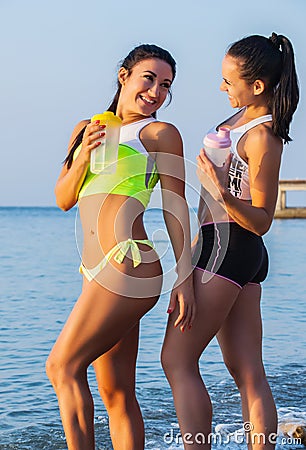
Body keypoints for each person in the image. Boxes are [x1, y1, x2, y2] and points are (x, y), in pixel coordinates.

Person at [46, 44, 195, 450]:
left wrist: (184, 279)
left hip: (128, 264)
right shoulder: (88, 127)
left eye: (166, 85)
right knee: (116, 392)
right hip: (93, 272)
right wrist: (83, 154)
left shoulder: (160, 134)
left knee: (61, 366)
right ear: (124, 75)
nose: (156, 92)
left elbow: (175, 208)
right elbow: (63, 198)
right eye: (149, 78)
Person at [161, 33, 299, 449]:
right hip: (227, 249)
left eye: (229, 80)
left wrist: (220, 192)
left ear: (257, 86)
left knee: (177, 360)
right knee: (247, 371)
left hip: (231, 246)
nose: (222, 87)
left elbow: (262, 220)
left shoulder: (263, 137)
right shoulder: (239, 119)